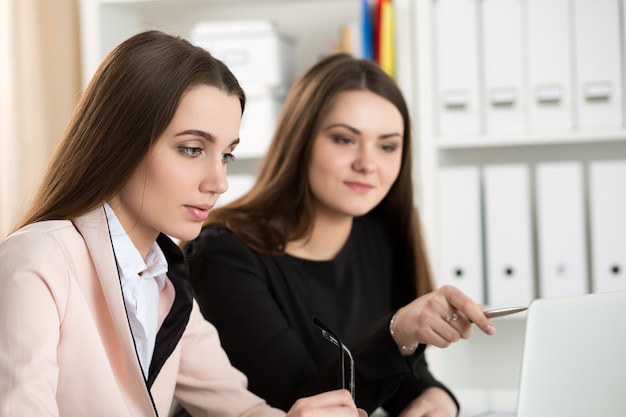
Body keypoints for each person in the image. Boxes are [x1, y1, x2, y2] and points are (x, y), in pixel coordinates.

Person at [0, 31, 365, 417]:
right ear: (121, 141)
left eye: (227, 155)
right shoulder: (38, 260)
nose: (219, 182)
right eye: (192, 149)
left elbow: (239, 409)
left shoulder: (165, 279)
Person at [179, 53, 497, 417]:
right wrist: (397, 334)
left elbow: (400, 375)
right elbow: (295, 403)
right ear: (301, 143)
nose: (367, 163)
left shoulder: (380, 238)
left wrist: (433, 396)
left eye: (388, 146)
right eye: (345, 140)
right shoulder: (222, 253)